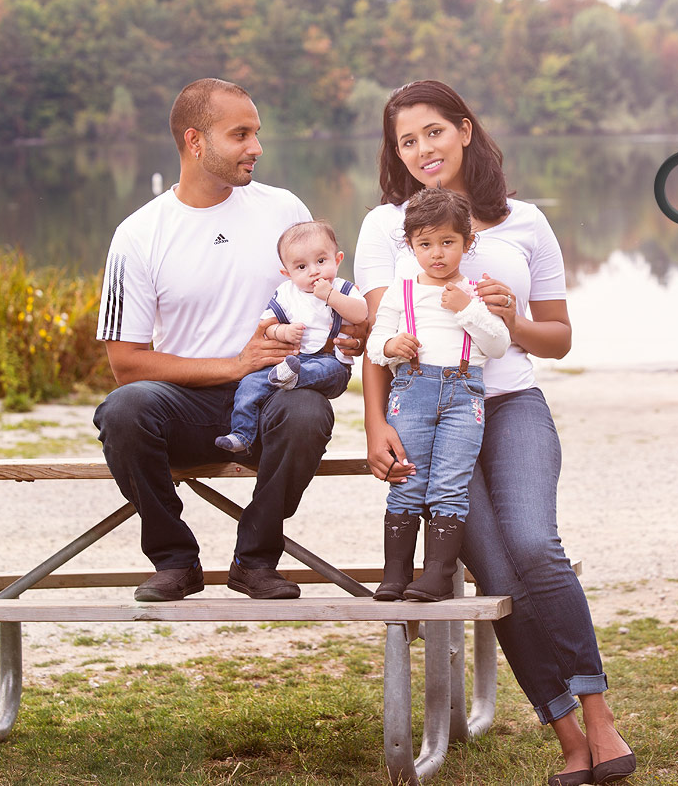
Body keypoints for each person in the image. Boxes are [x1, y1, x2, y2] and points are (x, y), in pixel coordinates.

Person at [354, 80, 636, 786]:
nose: (422, 150)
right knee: (498, 577)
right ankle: (566, 734)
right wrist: (375, 424)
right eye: (406, 140)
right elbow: (380, 339)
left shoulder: (525, 224)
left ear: (466, 129)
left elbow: (558, 338)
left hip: (510, 406)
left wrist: (509, 323)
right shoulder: (384, 228)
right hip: (430, 417)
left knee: (537, 546)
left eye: (433, 132)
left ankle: (599, 715)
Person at [92, 78, 363, 604]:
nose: (256, 147)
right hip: (186, 410)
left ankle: (255, 560)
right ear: (195, 141)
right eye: (240, 134)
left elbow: (326, 302)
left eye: (256, 133)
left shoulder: (285, 210)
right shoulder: (138, 234)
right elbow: (126, 364)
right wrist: (235, 364)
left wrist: (348, 332)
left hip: (274, 398)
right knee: (124, 410)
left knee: (308, 413)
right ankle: (175, 561)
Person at [365, 187, 509, 602]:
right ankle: (395, 574)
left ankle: (437, 574)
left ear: (467, 242)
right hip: (412, 391)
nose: (438, 254)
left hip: (465, 395)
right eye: (425, 244)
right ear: (410, 245)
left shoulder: (476, 292)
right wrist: (392, 347)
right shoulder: (402, 291)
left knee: (448, 485)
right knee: (407, 480)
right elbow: (375, 346)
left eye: (448, 242)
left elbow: (498, 344)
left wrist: (467, 307)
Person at [215, 220, 367, 456]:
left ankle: (295, 378)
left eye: (321, 261)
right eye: (301, 267)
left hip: (331, 363)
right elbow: (268, 327)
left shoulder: (342, 288)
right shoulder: (287, 294)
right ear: (287, 273)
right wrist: (283, 332)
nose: (314, 271)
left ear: (337, 259)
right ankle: (241, 433)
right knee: (250, 383)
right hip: (290, 362)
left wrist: (330, 296)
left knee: (323, 370)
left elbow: (361, 314)